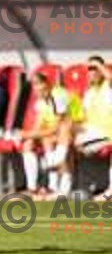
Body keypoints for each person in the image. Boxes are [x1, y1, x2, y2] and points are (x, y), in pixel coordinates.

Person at [19, 73, 78, 198]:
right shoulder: (41, 102)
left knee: (54, 137)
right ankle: (33, 188)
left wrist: (27, 134)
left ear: (47, 83)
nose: (37, 88)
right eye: (34, 85)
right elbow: (38, 125)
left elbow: (59, 126)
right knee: (29, 143)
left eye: (40, 84)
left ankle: (58, 187)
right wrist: (27, 136)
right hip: (59, 131)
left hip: (77, 127)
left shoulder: (59, 96)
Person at [74, 55, 112, 200]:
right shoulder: (89, 92)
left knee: (79, 145)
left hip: (107, 134)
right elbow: (82, 118)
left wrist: (98, 65)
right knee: (67, 139)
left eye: (94, 68)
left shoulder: (108, 87)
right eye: (89, 69)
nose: (92, 72)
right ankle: (83, 187)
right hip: (92, 134)